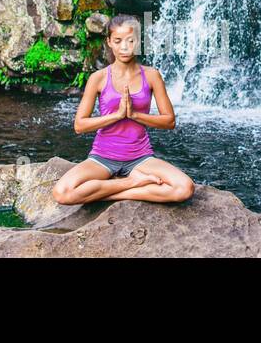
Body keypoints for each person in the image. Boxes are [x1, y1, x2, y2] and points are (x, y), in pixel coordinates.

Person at [51, 14, 195, 205]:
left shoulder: (152, 76)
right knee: (62, 193)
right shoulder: (99, 78)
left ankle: (113, 191)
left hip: (140, 158)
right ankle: (133, 183)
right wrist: (117, 115)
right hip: (102, 158)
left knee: (184, 188)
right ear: (109, 42)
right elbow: (79, 125)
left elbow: (169, 121)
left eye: (130, 40)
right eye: (118, 41)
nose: (124, 47)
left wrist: (134, 115)